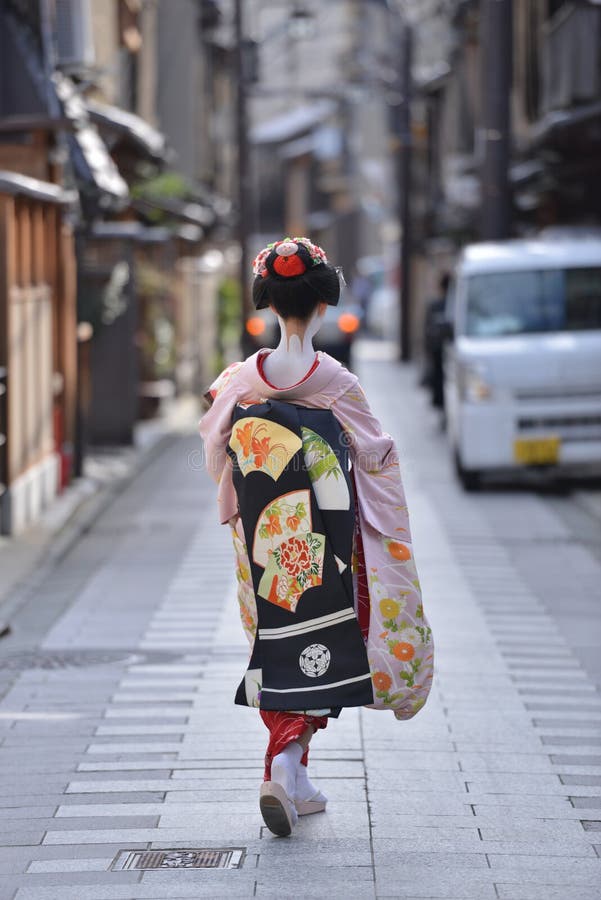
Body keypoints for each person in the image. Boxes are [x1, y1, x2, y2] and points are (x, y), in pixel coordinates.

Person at [199, 237, 433, 837]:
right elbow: (377, 456)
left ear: (268, 305)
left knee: (276, 639)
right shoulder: (334, 379)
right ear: (323, 305)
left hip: (264, 546)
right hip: (330, 545)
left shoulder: (242, 381)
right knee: (333, 641)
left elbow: (215, 452)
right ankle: (281, 765)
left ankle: (293, 774)